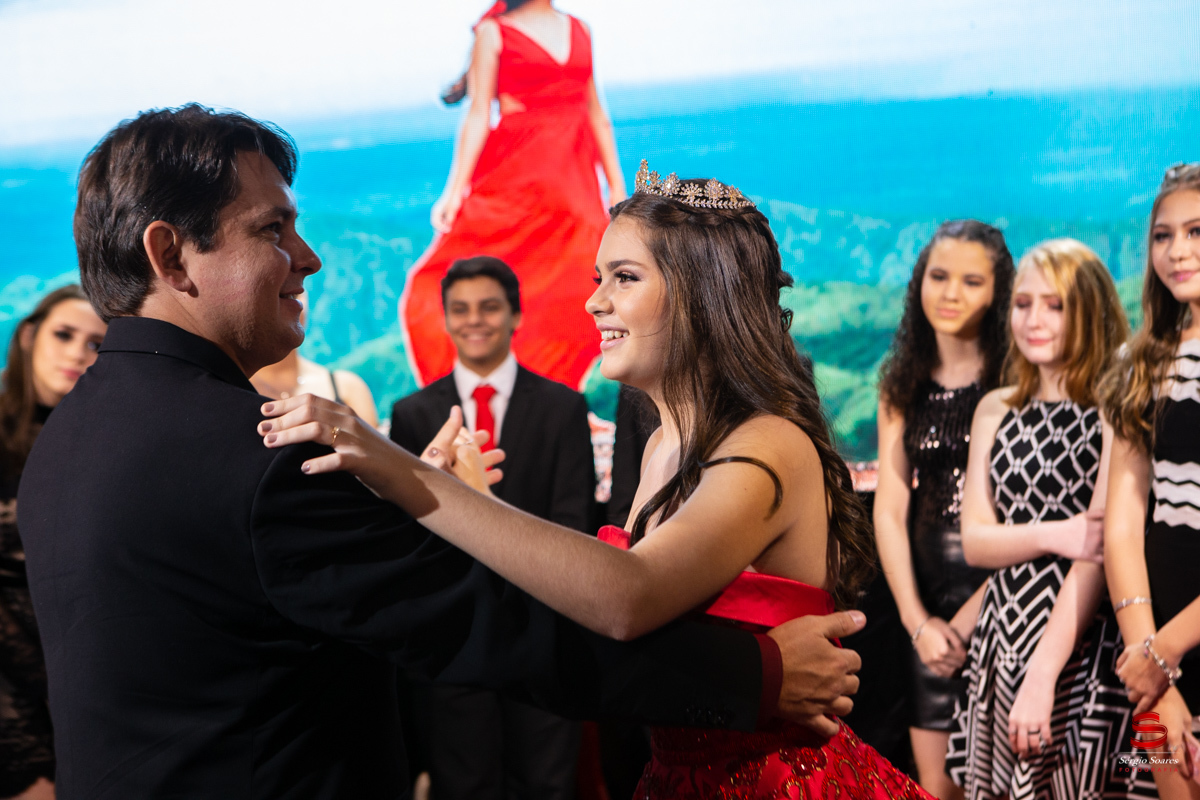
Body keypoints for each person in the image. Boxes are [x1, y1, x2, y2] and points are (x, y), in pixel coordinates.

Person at [17, 106, 864, 800]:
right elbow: (495, 627)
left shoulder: (67, 439)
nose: (308, 257)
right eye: (272, 229)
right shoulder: (265, 454)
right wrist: (753, 675)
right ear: (170, 255)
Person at [261, 160, 936, 799]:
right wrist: (475, 502)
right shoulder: (663, 443)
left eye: (624, 278)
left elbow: (628, 596)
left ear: (704, 294)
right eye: (597, 278)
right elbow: (594, 611)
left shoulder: (768, 443)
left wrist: (394, 465)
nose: (594, 302)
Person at [944, 239, 1153, 799]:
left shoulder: (1115, 403)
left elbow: (1099, 553)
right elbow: (975, 543)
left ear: (1091, 309)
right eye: (1023, 303)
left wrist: (1043, 673)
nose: (1033, 319)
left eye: (1055, 305)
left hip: (1083, 642)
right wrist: (1061, 533)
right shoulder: (996, 407)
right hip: (1002, 634)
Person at [390, 256, 594, 800]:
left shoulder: (563, 407)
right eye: (460, 309)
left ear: (515, 315)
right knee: (463, 785)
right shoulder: (412, 414)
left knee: (547, 785)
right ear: (446, 319)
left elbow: (573, 522)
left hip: (544, 635)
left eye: (488, 307)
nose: (473, 320)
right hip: (456, 638)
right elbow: (411, 536)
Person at [400, 0, 625, 389]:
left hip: (574, 187)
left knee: (580, 289)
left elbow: (596, 114)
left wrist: (617, 187)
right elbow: (478, 114)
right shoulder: (494, 32)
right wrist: (454, 191)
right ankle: (481, 390)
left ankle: (553, 395)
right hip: (515, 180)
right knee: (458, 278)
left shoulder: (580, 29)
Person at [873, 220, 1014, 798]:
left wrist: (968, 621)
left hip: (1007, 599)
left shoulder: (1018, 379)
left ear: (998, 292)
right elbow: (889, 507)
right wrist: (917, 622)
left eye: (971, 281)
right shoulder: (900, 383)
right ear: (919, 282)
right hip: (925, 612)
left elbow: (1031, 514)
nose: (950, 293)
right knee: (935, 787)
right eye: (939, 276)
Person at [1101, 162, 1200, 799]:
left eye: (1196, 231)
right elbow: (1123, 521)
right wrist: (1149, 661)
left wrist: (1166, 651)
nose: (1177, 250)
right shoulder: (1141, 360)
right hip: (1155, 652)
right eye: (1163, 235)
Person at [0, 286, 105, 800]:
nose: (77, 353)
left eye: (96, 344)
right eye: (64, 334)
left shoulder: (101, 444)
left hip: (85, 683)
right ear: (28, 336)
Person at [251, 298, 379, 426]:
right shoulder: (240, 389)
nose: (291, 304)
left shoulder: (348, 387)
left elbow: (371, 439)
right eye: (282, 296)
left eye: (295, 295)